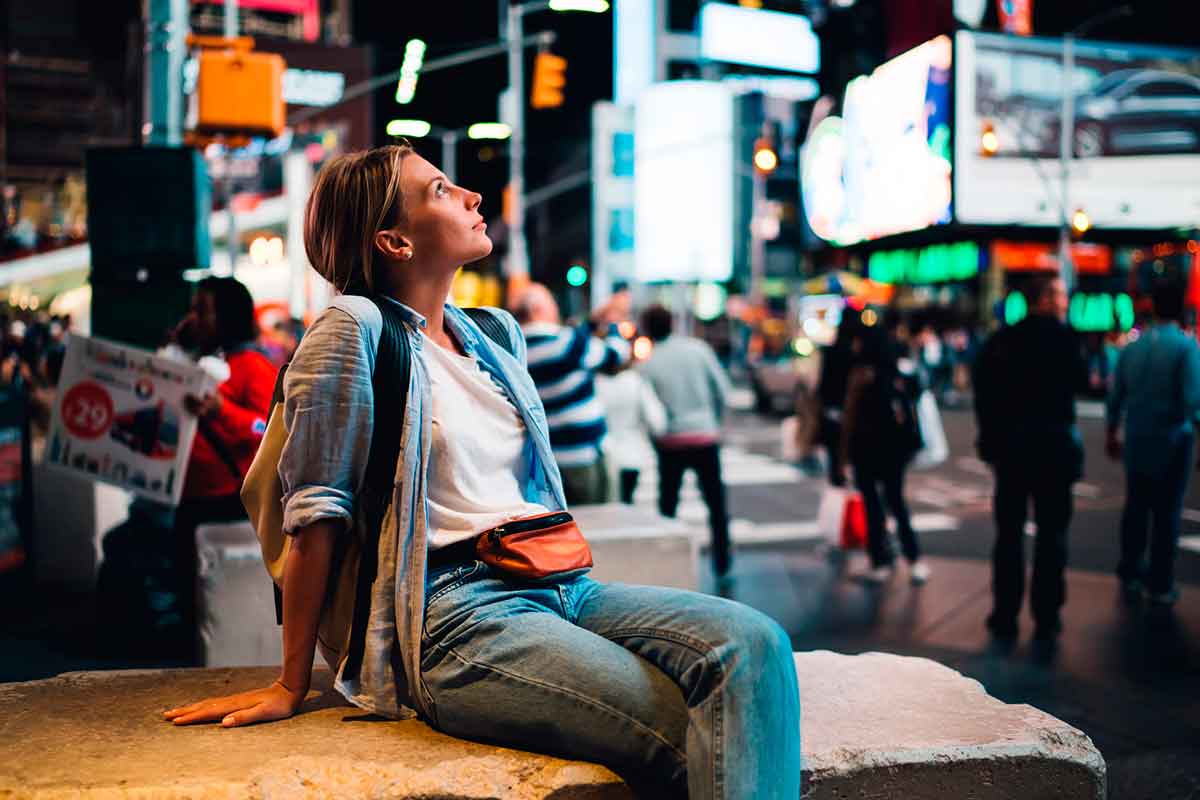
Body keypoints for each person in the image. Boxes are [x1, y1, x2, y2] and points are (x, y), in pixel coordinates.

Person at [162, 144, 801, 799]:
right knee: (683, 732)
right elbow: (317, 512)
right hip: (456, 616)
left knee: (755, 643)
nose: (472, 196)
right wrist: (291, 682)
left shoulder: (492, 336)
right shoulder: (350, 329)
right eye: (440, 190)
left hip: (557, 583)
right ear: (394, 240)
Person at [973, 276, 1086, 643]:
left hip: (1012, 452)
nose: (1064, 300)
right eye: (1059, 294)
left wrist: (990, 443)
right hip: (1053, 450)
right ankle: (1047, 613)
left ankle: (1004, 613)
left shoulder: (1003, 341)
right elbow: (1081, 382)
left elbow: (984, 396)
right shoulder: (1065, 339)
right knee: (1052, 535)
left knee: (1008, 534)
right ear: (1044, 299)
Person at [171, 276, 276, 651]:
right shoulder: (203, 363)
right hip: (194, 500)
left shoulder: (253, 366)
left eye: (202, 309)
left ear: (226, 316)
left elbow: (266, 427)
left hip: (227, 504)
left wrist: (223, 411)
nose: (194, 318)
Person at [1106, 283, 1200, 608]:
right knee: (1167, 511)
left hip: (1137, 437)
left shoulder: (1133, 347)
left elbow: (1115, 396)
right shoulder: (1187, 348)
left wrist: (1111, 432)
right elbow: (1192, 400)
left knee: (1136, 507)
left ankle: (1130, 570)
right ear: (1181, 311)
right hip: (1174, 439)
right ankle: (1160, 583)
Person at [638, 304, 735, 578]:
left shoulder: (650, 364)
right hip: (705, 437)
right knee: (715, 502)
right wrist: (713, 422)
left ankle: (669, 561)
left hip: (671, 442)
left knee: (668, 503)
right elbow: (722, 390)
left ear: (648, 329)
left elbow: (649, 411)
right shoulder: (699, 350)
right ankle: (722, 561)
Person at [513, 283, 631, 505]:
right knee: (599, 524)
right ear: (538, 309)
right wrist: (614, 323)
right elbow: (616, 355)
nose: (556, 309)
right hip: (584, 455)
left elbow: (580, 338)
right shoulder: (566, 342)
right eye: (551, 303)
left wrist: (596, 321)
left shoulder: (518, 351)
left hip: (548, 462)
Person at [840, 320, 928, 584]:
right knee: (897, 503)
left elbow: (850, 418)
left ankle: (880, 560)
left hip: (865, 450)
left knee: (873, 506)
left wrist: (842, 458)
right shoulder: (898, 373)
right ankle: (914, 559)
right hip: (894, 450)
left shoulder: (860, 376)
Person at [595, 356, 667, 504]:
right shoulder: (635, 382)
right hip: (631, 453)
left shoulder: (594, 383)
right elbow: (656, 421)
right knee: (627, 500)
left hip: (603, 453)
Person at [815, 310, 860, 487]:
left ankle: (837, 479)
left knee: (835, 451)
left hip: (833, 408)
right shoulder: (857, 352)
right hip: (851, 409)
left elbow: (823, 383)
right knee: (853, 451)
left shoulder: (832, 351)